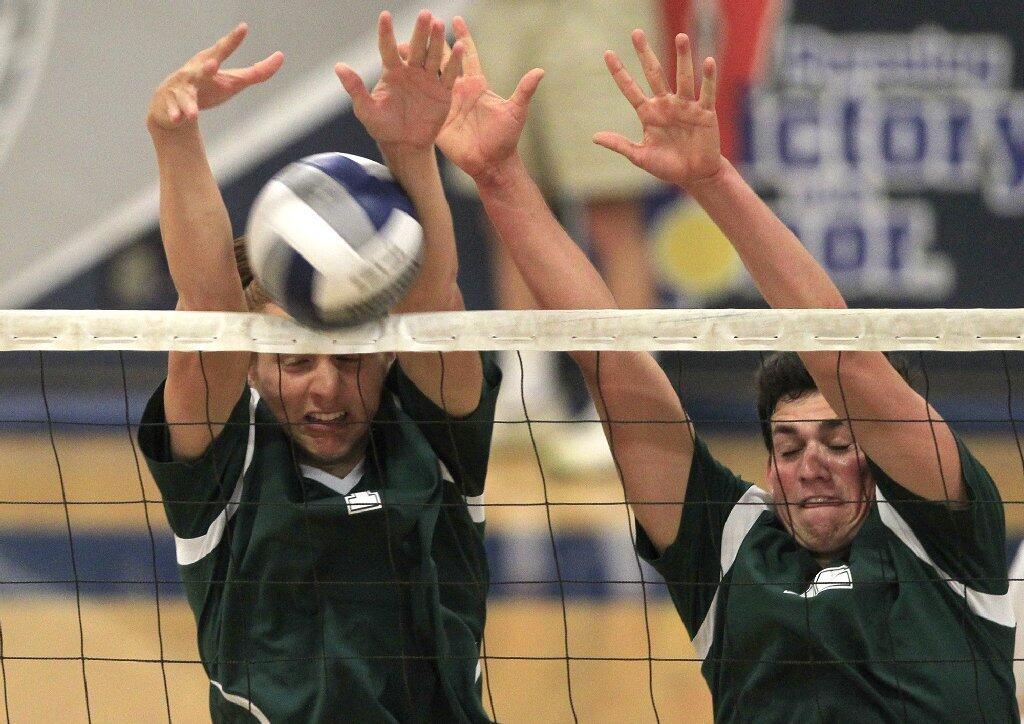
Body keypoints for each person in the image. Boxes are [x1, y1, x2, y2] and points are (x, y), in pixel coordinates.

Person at [437, 18, 1017, 721]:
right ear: (769, 470)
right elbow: (613, 366)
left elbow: (846, 356)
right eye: (790, 447)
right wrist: (499, 179)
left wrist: (712, 181)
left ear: (880, 459)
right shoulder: (730, 547)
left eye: (838, 443)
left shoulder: (944, 531)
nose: (812, 464)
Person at [139, 13, 499, 722]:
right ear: (249, 364)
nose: (327, 388)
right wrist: (175, 139)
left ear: (389, 351)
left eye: (353, 360)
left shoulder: (436, 445)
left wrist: (408, 149)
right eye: (294, 361)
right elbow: (209, 307)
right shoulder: (226, 470)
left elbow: (431, 301)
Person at [447, 1, 663, 453]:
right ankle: (528, 388)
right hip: (500, 13)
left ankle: (634, 407)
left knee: (610, 214)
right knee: (502, 192)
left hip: (594, 14)